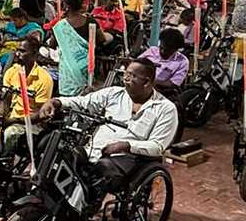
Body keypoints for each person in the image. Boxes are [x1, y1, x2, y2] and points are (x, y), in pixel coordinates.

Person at [38, 58, 179, 193]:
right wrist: (56, 102)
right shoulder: (114, 94)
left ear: (146, 82)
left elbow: (157, 146)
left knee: (101, 171)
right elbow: (82, 102)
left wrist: (126, 145)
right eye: (125, 74)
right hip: (94, 151)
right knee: (62, 156)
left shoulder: (165, 108)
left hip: (128, 159)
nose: (125, 78)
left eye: (131, 76)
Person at [0, 38, 53, 156]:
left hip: (32, 124)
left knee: (10, 133)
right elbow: (5, 99)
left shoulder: (44, 79)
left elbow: (41, 114)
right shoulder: (12, 72)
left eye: (23, 51)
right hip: (11, 118)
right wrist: (0, 115)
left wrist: (14, 121)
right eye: (17, 50)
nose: (18, 54)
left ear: (34, 53)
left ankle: (6, 162)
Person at [51, 0, 102, 98]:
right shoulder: (90, 21)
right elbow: (102, 39)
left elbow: (53, 44)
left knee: (68, 99)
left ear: (66, 7)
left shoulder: (60, 26)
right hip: (87, 63)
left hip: (68, 67)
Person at [138, 28, 189, 96]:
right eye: (161, 48)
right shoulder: (152, 51)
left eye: (167, 50)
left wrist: (153, 82)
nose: (162, 52)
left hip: (162, 92)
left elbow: (174, 83)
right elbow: (136, 64)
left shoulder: (182, 62)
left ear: (176, 49)